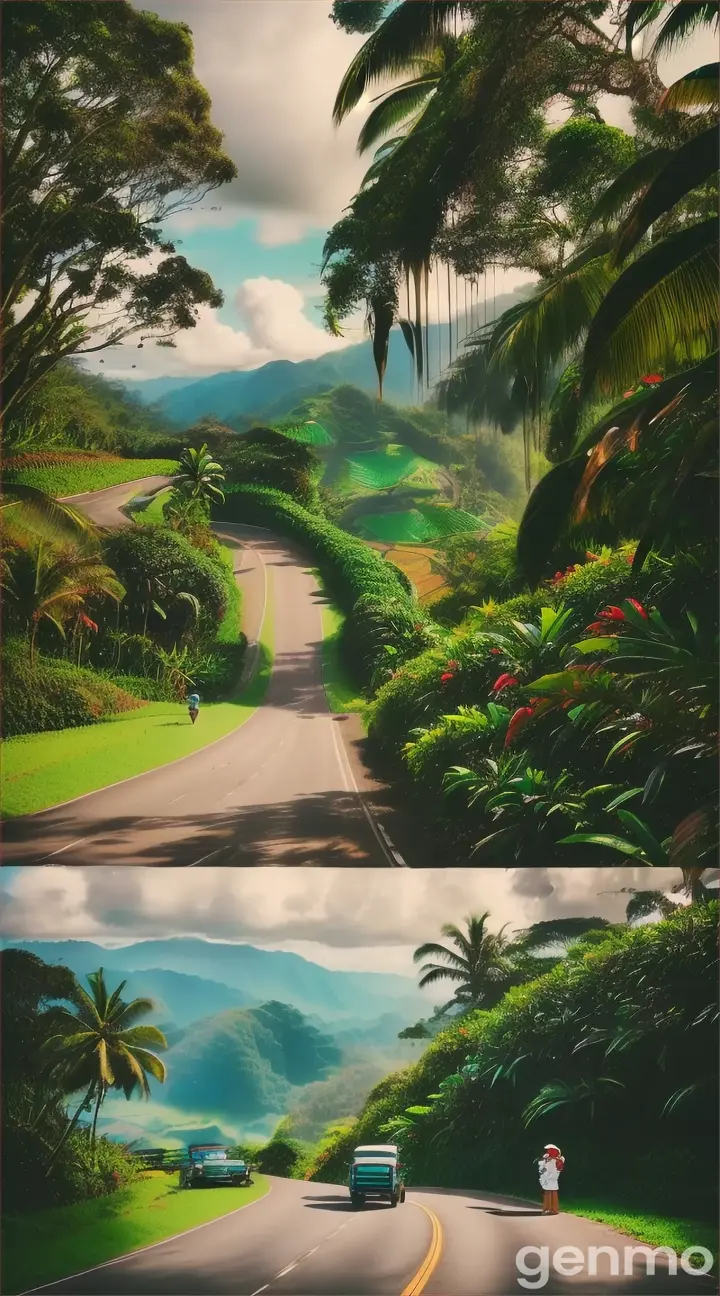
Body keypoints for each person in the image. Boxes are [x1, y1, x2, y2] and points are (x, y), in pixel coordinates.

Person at [538, 1144, 564, 1215]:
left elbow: (559, 1169)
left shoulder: (559, 1160)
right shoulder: (546, 1158)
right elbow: (541, 1168)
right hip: (547, 1179)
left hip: (553, 1179)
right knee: (548, 1194)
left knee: (552, 1194)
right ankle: (547, 1209)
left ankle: (553, 1209)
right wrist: (546, 1161)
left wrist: (558, 1160)